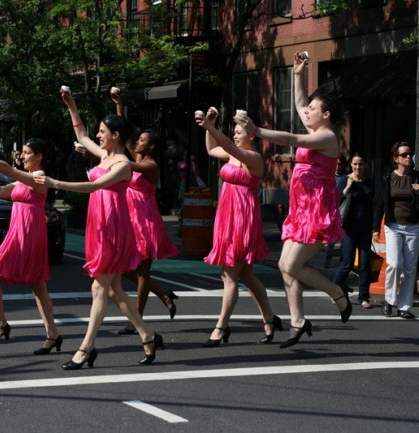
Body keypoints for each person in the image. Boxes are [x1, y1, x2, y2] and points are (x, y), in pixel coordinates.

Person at [33, 88, 163, 369]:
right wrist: (72, 107)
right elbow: (81, 136)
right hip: (99, 223)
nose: (99, 135)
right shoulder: (104, 156)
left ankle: (86, 348)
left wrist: (55, 184)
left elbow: (93, 186)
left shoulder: (123, 164)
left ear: (116, 135)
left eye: (103, 131)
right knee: (115, 289)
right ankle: (148, 336)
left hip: (115, 227)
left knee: (99, 287)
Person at [235, 50, 351, 349]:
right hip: (300, 209)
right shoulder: (316, 125)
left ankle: (336, 292)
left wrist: (256, 130)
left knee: (292, 265)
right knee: (285, 266)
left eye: (314, 108)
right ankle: (298, 321)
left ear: (326, 114)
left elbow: (293, 139)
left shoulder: (327, 137)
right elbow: (299, 103)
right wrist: (298, 73)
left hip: (317, 212)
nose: (307, 111)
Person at [0, 138, 62, 353]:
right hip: (18, 233)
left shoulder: (38, 177)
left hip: (30, 234)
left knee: (36, 285)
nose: (22, 156)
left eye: (26, 153)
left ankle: (47, 333)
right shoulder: (23, 180)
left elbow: (6, 168)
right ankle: (6, 325)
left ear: (39, 156)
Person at [195, 107, 280, 346]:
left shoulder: (253, 158)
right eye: (233, 131)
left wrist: (210, 127)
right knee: (246, 274)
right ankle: (270, 320)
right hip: (227, 215)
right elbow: (211, 148)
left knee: (229, 273)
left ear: (252, 135)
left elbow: (230, 148)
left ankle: (221, 327)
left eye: (239, 131)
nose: (234, 135)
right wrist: (210, 125)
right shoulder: (233, 154)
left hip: (243, 219)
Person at [108, 91, 179, 333]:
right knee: (123, 269)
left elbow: (127, 163)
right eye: (138, 139)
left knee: (142, 271)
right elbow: (124, 134)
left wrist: (103, 156)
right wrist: (120, 105)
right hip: (129, 218)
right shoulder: (135, 153)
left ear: (152, 146)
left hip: (145, 220)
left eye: (143, 140)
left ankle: (135, 321)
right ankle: (162, 293)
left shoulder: (150, 166)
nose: (138, 141)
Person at [373, 142, 418, 319]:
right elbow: (379, 204)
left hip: (414, 227)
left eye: (410, 154)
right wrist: (376, 228)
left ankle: (404, 307)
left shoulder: (416, 178)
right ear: (396, 159)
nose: (409, 157)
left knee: (410, 268)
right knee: (394, 264)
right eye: (405, 154)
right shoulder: (387, 178)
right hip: (393, 226)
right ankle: (389, 300)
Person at [332, 153, 375, 309]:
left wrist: (374, 227)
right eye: (355, 164)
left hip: (365, 227)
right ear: (351, 165)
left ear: (365, 166)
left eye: (361, 164)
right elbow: (336, 200)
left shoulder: (368, 182)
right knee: (347, 262)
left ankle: (363, 297)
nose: (358, 167)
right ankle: (335, 290)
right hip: (348, 228)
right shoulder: (345, 180)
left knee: (365, 264)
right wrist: (348, 188)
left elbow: (372, 204)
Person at [324, 156, 347, 268]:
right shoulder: (329, 177)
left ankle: (343, 264)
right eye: (336, 164)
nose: (337, 166)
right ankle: (327, 264)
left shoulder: (347, 178)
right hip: (331, 213)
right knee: (330, 241)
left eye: (340, 164)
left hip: (344, 212)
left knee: (344, 240)